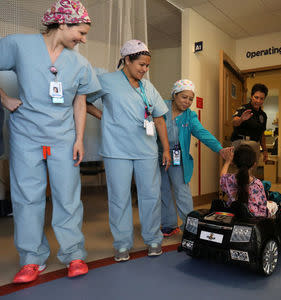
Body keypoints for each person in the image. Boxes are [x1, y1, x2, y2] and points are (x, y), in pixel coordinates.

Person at [0, 0, 101, 283]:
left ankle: (74, 254)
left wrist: (80, 139)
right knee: (26, 197)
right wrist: (5, 99)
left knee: (67, 196)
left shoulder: (79, 63)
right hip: (26, 135)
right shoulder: (19, 45)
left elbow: (80, 102)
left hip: (63, 137)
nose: (82, 39)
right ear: (62, 23)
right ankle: (32, 259)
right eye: (80, 32)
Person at [86, 40, 171, 262]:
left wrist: (166, 150)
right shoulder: (106, 81)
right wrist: (103, 116)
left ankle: (153, 239)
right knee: (119, 197)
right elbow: (83, 101)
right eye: (141, 64)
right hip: (117, 150)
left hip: (146, 150)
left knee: (151, 196)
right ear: (127, 60)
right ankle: (122, 244)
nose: (144, 69)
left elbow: (159, 119)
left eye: (147, 66)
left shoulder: (148, 87)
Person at [159, 79, 230, 236]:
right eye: (184, 97)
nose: (188, 102)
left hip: (177, 155)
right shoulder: (161, 106)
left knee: (181, 189)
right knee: (162, 189)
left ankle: (190, 226)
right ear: (174, 95)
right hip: (158, 154)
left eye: (191, 99)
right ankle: (169, 224)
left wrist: (219, 149)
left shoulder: (190, 116)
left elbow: (202, 133)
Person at [220, 145, 277, 217]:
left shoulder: (229, 180)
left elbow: (222, 176)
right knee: (274, 205)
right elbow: (262, 207)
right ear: (254, 164)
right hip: (255, 219)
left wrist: (227, 161)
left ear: (234, 163)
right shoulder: (258, 184)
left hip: (235, 215)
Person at [231, 83, 269, 162]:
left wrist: (265, 150)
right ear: (251, 96)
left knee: (251, 172)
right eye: (256, 97)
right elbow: (234, 122)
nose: (258, 101)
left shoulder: (263, 115)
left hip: (255, 145)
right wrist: (241, 119)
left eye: (261, 99)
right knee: (237, 172)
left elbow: (262, 134)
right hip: (240, 143)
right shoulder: (243, 108)